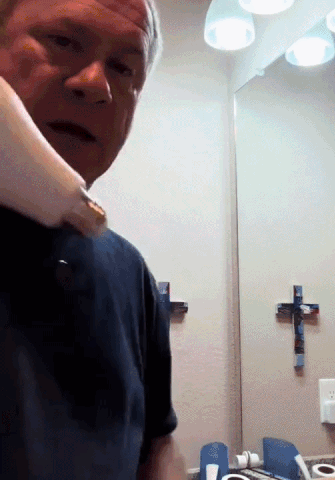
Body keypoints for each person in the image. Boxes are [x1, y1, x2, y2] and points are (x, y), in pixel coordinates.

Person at [0, 0, 187, 478]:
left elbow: (157, 446)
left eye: (124, 69)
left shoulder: (130, 273)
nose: (96, 84)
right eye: (63, 41)